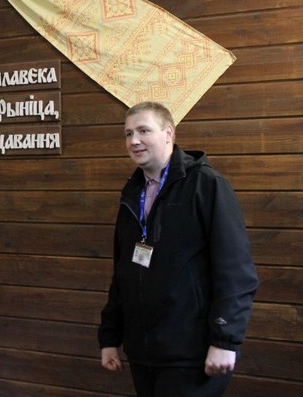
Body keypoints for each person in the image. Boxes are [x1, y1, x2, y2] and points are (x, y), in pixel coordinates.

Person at [98, 101, 258, 396]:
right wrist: (110, 337)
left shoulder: (206, 185)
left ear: (169, 133)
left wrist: (224, 340)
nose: (134, 140)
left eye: (143, 131)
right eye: (128, 133)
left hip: (192, 354)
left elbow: (236, 272)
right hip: (144, 354)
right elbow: (123, 273)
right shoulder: (132, 193)